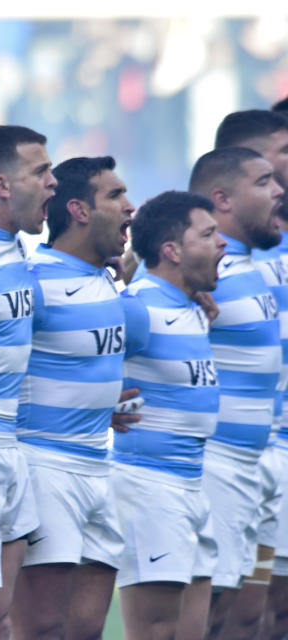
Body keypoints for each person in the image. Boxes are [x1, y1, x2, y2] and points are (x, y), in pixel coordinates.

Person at [11, 156, 134, 640]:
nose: (129, 207)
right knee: (40, 629)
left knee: (86, 630)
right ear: (80, 210)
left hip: (97, 468)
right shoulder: (34, 279)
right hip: (45, 467)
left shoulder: (106, 276)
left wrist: (103, 399)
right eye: (116, 196)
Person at [113, 191, 226, 640]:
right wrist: (99, 402)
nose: (222, 244)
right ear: (172, 250)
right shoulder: (136, 305)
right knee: (155, 632)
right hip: (148, 487)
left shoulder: (194, 307)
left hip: (193, 485)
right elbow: (70, 355)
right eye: (209, 234)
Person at [187, 146, 284, 640]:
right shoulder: (197, 271)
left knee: (247, 621)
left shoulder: (250, 266)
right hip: (217, 466)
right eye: (264, 182)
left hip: (257, 465)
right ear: (222, 198)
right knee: (209, 619)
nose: (279, 191)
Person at [0, 125, 56, 640]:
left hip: (11, 449)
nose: (52, 182)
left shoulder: (20, 251)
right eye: (41, 171)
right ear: (1, 184)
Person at [214, 110, 288, 637]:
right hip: (231, 458)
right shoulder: (201, 256)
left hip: (267, 453)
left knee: (263, 614)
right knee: (230, 615)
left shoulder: (266, 242)